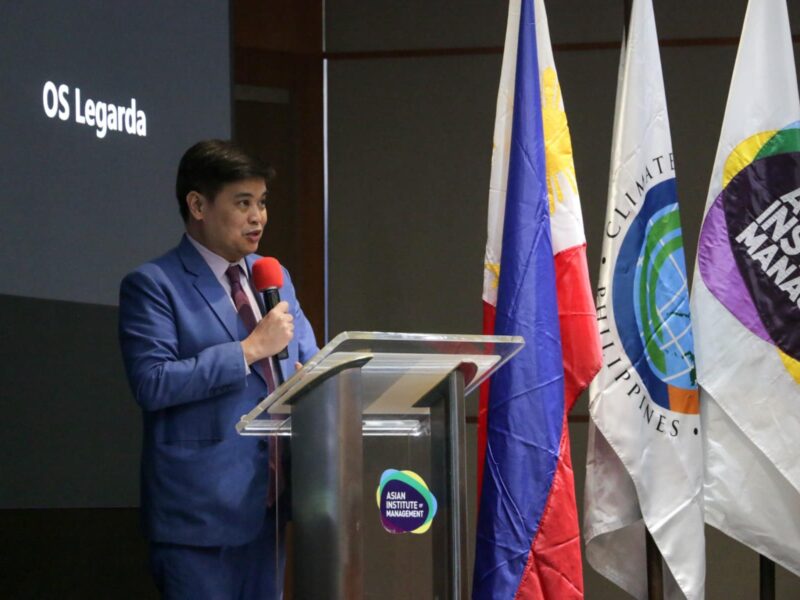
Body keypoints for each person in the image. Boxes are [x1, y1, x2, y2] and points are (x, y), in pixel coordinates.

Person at [118, 139, 318, 598]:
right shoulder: (154, 285)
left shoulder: (274, 275)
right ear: (198, 205)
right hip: (198, 518)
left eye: (262, 203)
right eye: (243, 203)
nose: (258, 217)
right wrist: (247, 350)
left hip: (271, 508)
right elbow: (151, 382)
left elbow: (308, 363)